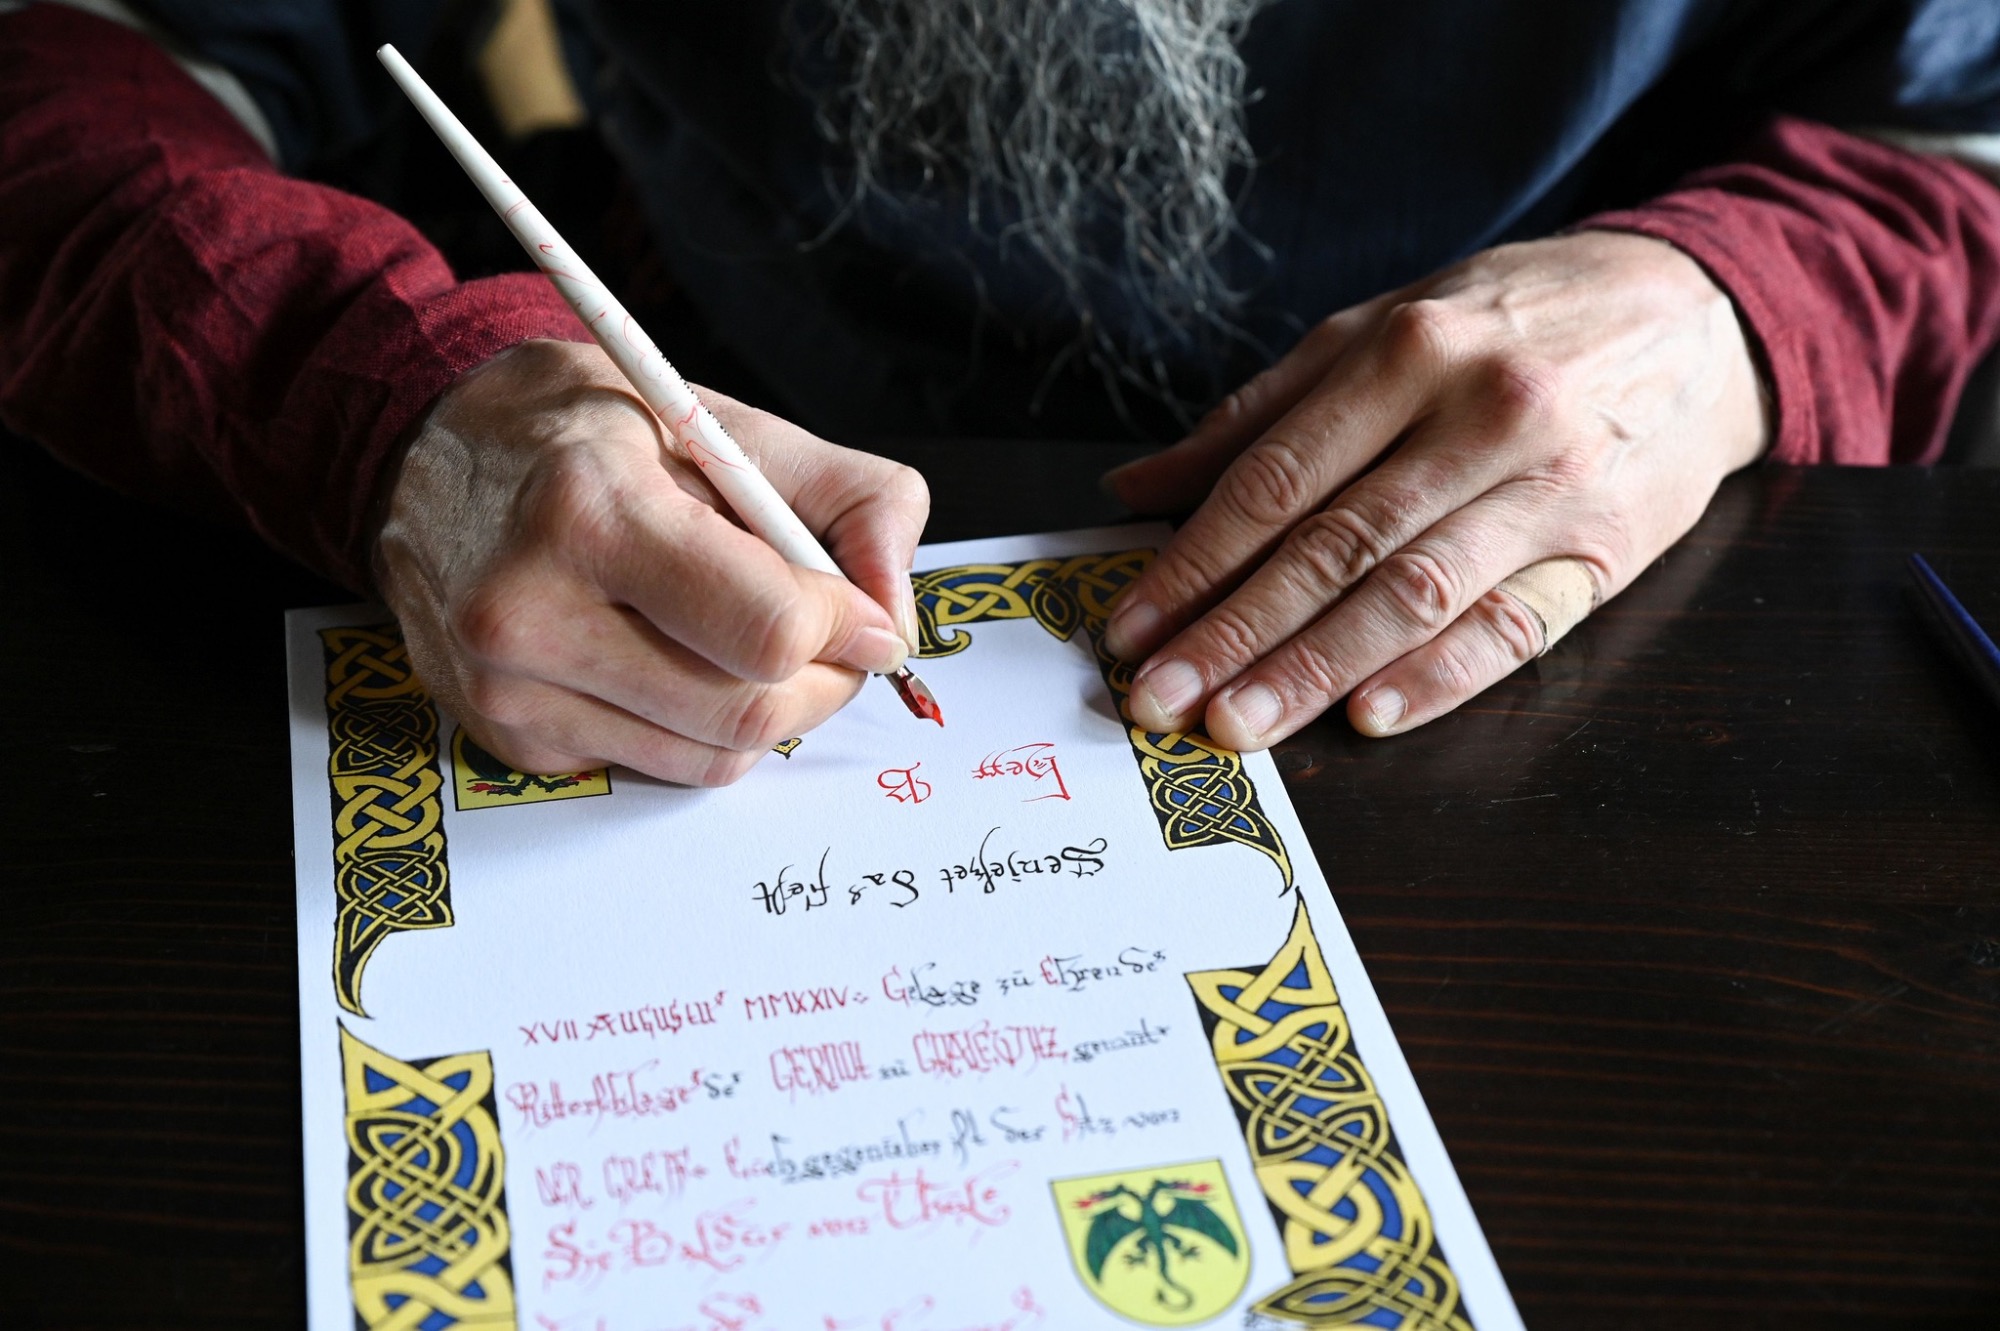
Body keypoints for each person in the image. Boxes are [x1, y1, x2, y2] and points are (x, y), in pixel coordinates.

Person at [3, 0, 1998, 784]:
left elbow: (1957, 132)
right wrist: (380, 398)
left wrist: (1730, 311)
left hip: (1579, 574)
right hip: (697, 446)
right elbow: (70, 66)